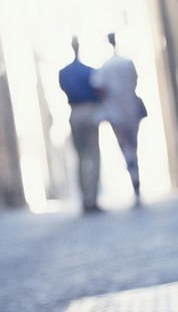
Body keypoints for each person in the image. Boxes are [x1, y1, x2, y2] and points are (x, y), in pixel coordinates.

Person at [92, 32, 147, 206]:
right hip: (131, 108)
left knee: (125, 146)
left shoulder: (105, 67)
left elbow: (98, 87)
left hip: (116, 112)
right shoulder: (127, 63)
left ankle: (133, 175)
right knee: (134, 144)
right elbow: (135, 80)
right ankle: (135, 176)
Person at [59, 35, 102, 213]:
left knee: (81, 157)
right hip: (89, 111)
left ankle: (85, 199)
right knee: (93, 155)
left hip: (75, 113)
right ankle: (92, 198)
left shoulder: (64, 73)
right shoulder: (90, 71)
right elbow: (98, 90)